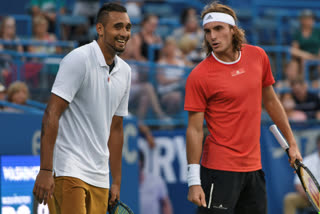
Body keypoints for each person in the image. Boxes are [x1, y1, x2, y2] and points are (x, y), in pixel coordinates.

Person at [184, 3, 303, 213]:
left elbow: (272, 101)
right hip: (218, 169)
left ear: (233, 29)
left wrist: (292, 143)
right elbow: (194, 130)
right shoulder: (199, 75)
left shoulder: (258, 56)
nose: (213, 36)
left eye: (218, 29)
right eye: (208, 31)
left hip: (254, 169)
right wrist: (194, 180)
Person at [32, 3, 132, 214]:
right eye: (118, 26)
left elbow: (116, 128)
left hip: (100, 177)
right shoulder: (78, 59)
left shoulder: (126, 72)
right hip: (68, 169)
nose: (124, 33)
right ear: (100, 29)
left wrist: (116, 181)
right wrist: (46, 170)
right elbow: (52, 113)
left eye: (128, 27)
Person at [283, 134, 320, 214]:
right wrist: (310, 196)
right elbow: (298, 184)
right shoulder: (308, 160)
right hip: (308, 197)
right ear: (318, 144)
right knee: (289, 199)